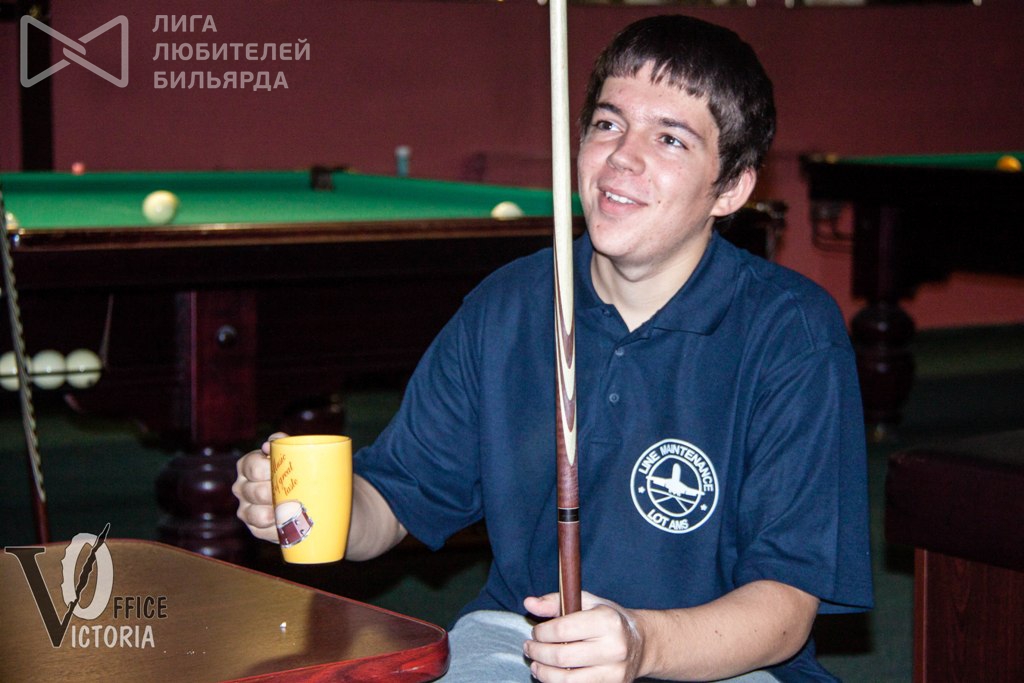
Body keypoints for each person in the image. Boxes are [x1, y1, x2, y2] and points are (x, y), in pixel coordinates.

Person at [234, 14, 872, 682]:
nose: (622, 157)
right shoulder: (505, 308)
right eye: (607, 124)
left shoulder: (792, 332)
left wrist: (643, 643)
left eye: (670, 139)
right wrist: (312, 510)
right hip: (522, 638)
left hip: (720, 659)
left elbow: (787, 608)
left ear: (732, 187)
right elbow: (392, 502)